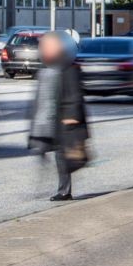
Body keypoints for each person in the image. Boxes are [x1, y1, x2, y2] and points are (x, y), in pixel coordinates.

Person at [28, 30, 88, 201]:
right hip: (49, 119)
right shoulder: (49, 64)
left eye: (48, 45)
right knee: (50, 152)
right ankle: (56, 187)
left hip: (64, 119)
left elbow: (75, 93)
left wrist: (72, 115)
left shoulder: (68, 65)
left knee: (63, 155)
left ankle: (64, 191)